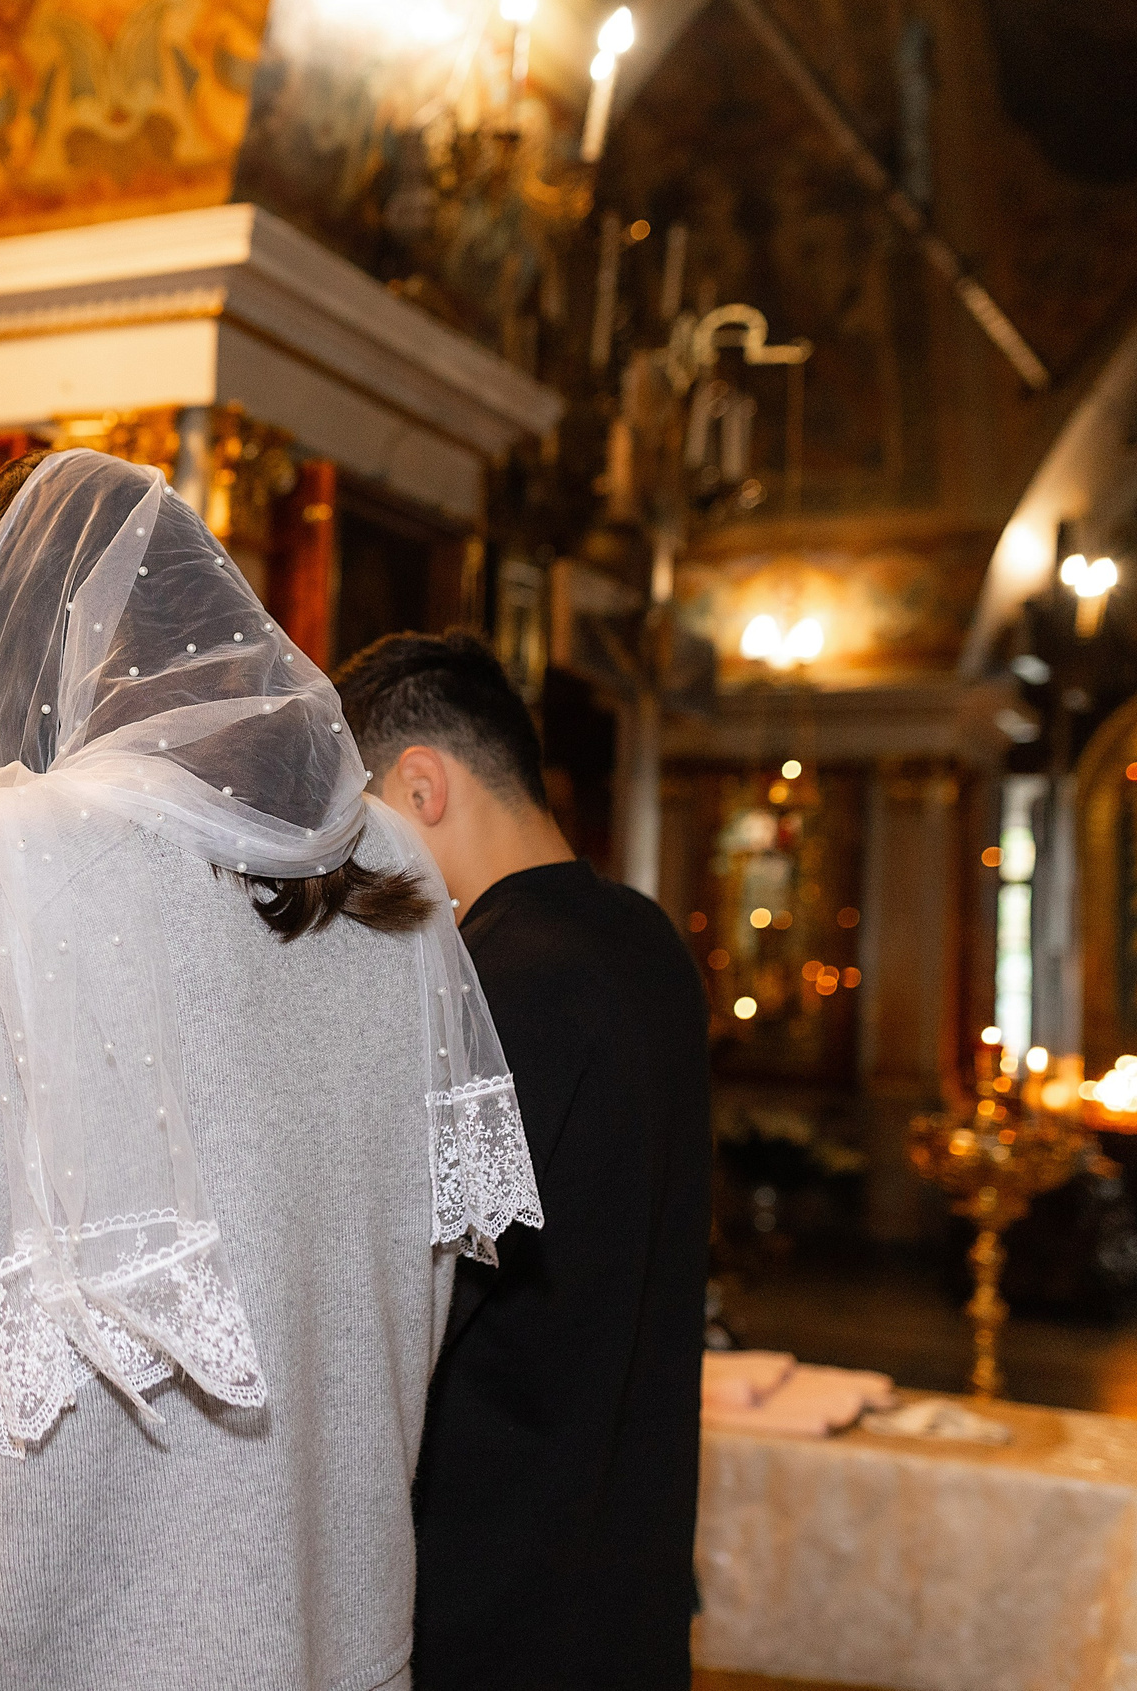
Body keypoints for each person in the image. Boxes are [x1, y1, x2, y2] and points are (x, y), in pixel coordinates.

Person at [0, 449, 541, 1689]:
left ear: (20, 644)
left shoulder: (8, 856)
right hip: (328, 1597)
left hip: (87, 1618)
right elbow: (430, 1257)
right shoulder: (396, 863)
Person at [336, 629, 711, 1691]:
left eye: (354, 818)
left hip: (498, 1580)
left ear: (420, 786)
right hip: (622, 1557)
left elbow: (417, 1296)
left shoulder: (493, 986)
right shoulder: (640, 938)